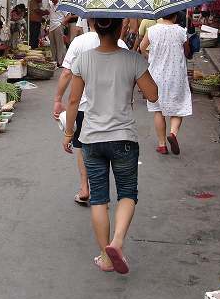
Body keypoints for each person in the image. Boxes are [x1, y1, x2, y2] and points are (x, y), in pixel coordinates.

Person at [63, 18, 158, 274]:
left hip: (92, 138)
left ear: (93, 26)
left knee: (99, 199)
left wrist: (69, 133)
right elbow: (153, 94)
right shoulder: (133, 60)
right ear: (120, 28)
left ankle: (105, 256)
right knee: (127, 193)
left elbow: (73, 101)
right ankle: (117, 242)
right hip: (123, 138)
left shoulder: (83, 60)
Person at [53, 22, 129, 206]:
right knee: (112, 146)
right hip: (114, 108)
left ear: (90, 21)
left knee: (83, 146)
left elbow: (66, 73)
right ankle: (112, 192)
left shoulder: (79, 42)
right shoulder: (121, 45)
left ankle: (85, 187)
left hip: (84, 106)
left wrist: (57, 99)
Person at [140, 12, 192, 155]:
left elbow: (142, 47)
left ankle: (162, 144)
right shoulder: (181, 31)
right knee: (179, 106)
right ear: (175, 17)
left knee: (158, 110)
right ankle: (173, 133)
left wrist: (151, 57)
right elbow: (187, 51)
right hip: (177, 75)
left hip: (156, 75)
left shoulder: (152, 30)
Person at [46, 0, 67, 66]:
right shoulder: (50, 5)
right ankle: (54, 60)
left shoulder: (61, 5)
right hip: (51, 26)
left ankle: (60, 61)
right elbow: (48, 15)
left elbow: (68, 15)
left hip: (58, 25)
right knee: (52, 44)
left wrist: (62, 23)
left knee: (59, 44)